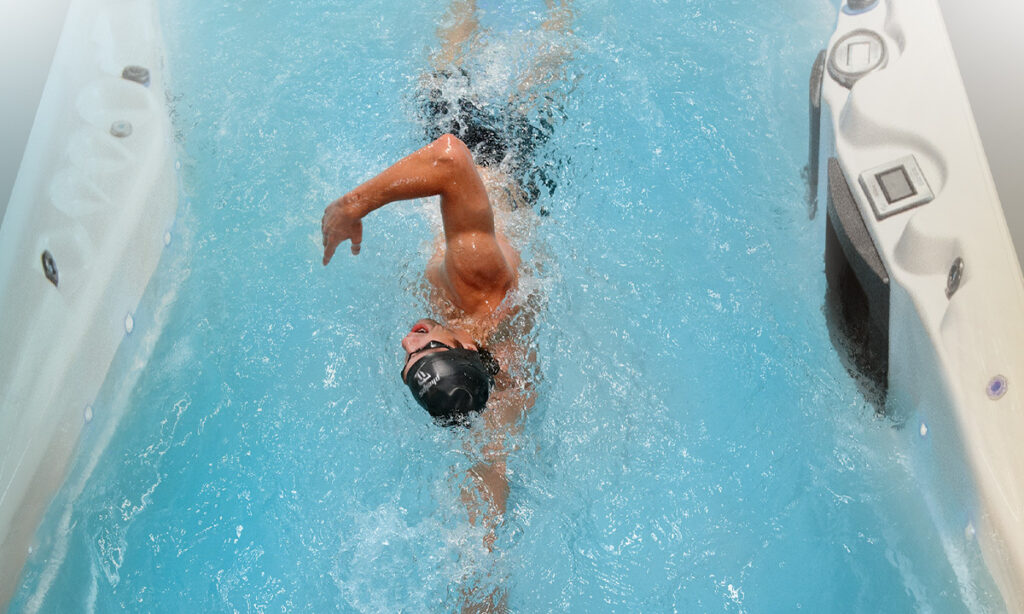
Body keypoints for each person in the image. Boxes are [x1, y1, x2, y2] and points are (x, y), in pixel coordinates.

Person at [321, 2, 572, 611]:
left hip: (517, 204)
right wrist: (351, 206)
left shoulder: (501, 382)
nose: (408, 340)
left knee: (539, 81)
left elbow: (489, 478)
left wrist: (480, 595)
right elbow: (451, 157)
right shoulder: (475, 280)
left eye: (411, 358)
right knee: (457, 70)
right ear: (461, 345)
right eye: (425, 345)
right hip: (497, 162)